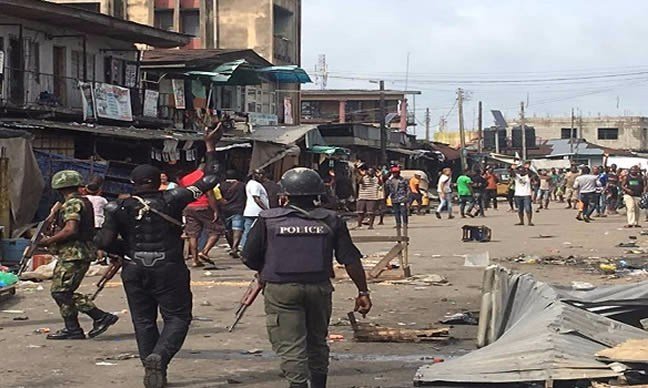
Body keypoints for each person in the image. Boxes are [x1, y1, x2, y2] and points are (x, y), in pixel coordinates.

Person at [95, 128, 222, 388]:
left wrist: (127, 252)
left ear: (133, 183)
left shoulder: (118, 207)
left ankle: (153, 369)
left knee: (143, 321)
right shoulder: (174, 198)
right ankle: (160, 358)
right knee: (177, 318)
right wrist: (209, 146)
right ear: (158, 182)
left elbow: (105, 242)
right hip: (169, 266)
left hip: (134, 267)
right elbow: (211, 178)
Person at [242, 167, 372, 388]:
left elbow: (248, 256)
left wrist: (266, 270)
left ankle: (298, 384)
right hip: (318, 288)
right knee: (317, 342)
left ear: (285, 194)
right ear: (318, 194)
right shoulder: (332, 219)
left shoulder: (268, 219)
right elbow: (350, 259)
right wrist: (363, 291)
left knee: (291, 345)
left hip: (281, 290)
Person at [39, 170, 118, 340]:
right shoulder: (80, 201)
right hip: (76, 253)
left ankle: (100, 316)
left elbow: (71, 229)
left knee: (61, 292)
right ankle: (72, 328)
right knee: (63, 291)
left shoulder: (72, 204)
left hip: (74, 254)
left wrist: (48, 241)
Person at [179, 163, 221, 267]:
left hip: (189, 207)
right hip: (203, 206)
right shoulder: (205, 177)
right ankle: (204, 252)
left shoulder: (185, 178)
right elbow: (210, 194)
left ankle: (195, 260)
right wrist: (215, 210)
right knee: (216, 230)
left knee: (193, 235)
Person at [217, 170, 247, 258]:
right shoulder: (242, 185)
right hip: (238, 209)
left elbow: (217, 197)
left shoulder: (221, 185)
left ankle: (232, 246)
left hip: (225, 211)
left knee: (227, 230)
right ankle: (235, 247)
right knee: (237, 229)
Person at [241, 169, 270, 249]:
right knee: (254, 231)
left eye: (262, 174)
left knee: (248, 230)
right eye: (259, 174)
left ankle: (244, 247)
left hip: (252, 211)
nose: (261, 176)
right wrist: (266, 209)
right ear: (254, 175)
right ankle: (245, 247)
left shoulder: (252, 183)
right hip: (256, 212)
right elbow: (256, 198)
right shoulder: (255, 184)